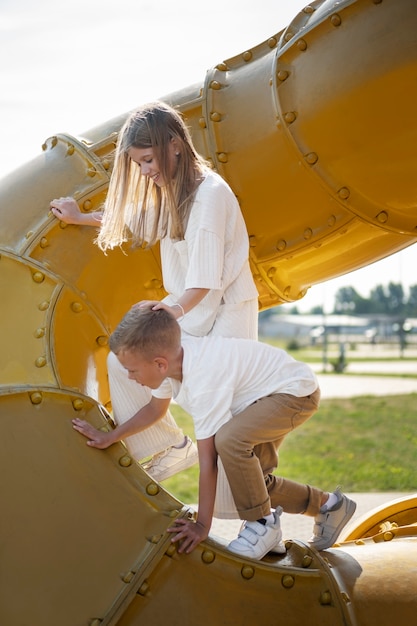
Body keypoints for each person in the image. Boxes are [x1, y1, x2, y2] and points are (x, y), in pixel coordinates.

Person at [50, 102, 259, 514]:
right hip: (187, 308)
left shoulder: (210, 197)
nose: (144, 171)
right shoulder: (173, 191)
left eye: (147, 160)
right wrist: (79, 218)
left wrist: (166, 317)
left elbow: (205, 282)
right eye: (138, 163)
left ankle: (279, 514)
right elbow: (136, 222)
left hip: (221, 315)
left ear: (175, 146)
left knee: (224, 429)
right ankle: (168, 445)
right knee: (121, 360)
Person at [72, 306, 357, 560]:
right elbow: (154, 410)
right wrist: (111, 436)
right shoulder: (170, 365)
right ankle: (329, 506)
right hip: (261, 396)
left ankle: (262, 525)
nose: (131, 377)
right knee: (254, 484)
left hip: (293, 392)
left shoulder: (203, 377)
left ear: (159, 364)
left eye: (132, 371)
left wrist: (201, 526)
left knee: (229, 442)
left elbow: (208, 460)